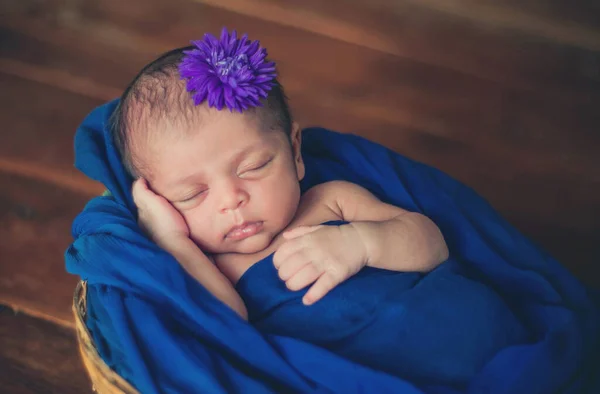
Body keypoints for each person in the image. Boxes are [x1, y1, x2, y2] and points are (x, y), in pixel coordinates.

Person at [113, 28, 450, 321]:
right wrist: (170, 239)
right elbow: (223, 324)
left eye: (254, 166)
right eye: (192, 194)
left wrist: (361, 242)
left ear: (295, 152)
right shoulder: (212, 267)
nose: (232, 199)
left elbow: (433, 245)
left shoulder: (332, 201)